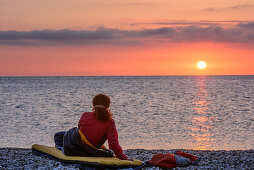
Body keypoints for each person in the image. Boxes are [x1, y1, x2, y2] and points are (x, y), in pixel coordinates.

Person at [54, 94, 128, 160]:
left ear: (93, 104)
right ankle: (68, 149)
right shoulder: (109, 121)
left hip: (76, 143)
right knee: (109, 152)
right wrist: (123, 157)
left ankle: (63, 148)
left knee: (58, 135)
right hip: (88, 149)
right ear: (108, 106)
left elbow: (81, 130)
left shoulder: (85, 115)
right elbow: (113, 144)